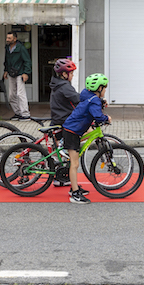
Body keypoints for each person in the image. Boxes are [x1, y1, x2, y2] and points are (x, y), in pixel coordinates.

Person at [62, 73, 111, 205]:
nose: (105, 90)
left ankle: (64, 147)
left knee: (89, 134)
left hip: (73, 129)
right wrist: (106, 118)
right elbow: (98, 116)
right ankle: (75, 193)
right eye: (104, 88)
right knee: (75, 164)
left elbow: (91, 102)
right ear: (99, 88)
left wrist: (100, 102)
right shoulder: (94, 100)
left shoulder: (87, 95)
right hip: (72, 131)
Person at [49, 57, 80, 188]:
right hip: (63, 121)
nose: (73, 75)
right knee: (65, 149)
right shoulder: (65, 86)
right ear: (64, 74)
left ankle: (60, 176)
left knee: (61, 151)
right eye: (71, 73)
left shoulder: (58, 84)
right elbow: (78, 99)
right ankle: (60, 177)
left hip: (59, 119)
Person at [3, 31, 32, 121]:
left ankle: (25, 114)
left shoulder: (21, 48)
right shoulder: (7, 48)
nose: (7, 40)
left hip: (20, 73)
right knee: (11, 95)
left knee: (20, 94)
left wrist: (26, 73)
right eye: (7, 38)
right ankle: (18, 113)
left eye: (9, 38)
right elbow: (6, 60)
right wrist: (6, 70)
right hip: (11, 73)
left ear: (15, 39)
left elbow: (27, 61)